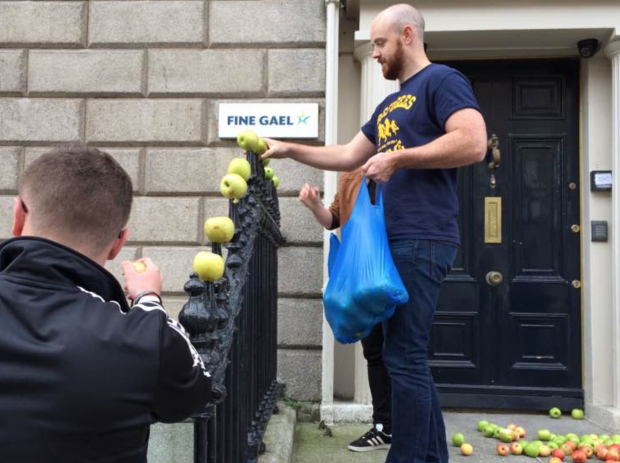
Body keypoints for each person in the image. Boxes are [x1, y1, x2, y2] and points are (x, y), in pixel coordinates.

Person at [263, 4, 487, 463]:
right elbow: (348, 154)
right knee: (404, 359)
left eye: (380, 44)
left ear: (408, 35)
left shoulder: (442, 81)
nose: (375, 54)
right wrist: (288, 150)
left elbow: (473, 141)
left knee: (403, 357)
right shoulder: (388, 105)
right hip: (393, 242)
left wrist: (398, 157)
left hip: (423, 236)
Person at [0, 146, 211, 463]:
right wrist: (148, 301)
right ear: (118, 244)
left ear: (18, 215)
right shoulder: (141, 336)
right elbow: (194, 394)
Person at [299, 171, 392, 452]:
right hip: (364, 277)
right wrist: (316, 206)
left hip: (400, 265)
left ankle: (410, 426)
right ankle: (384, 427)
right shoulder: (352, 177)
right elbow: (333, 219)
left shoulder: (404, 167)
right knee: (374, 351)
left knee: (404, 352)